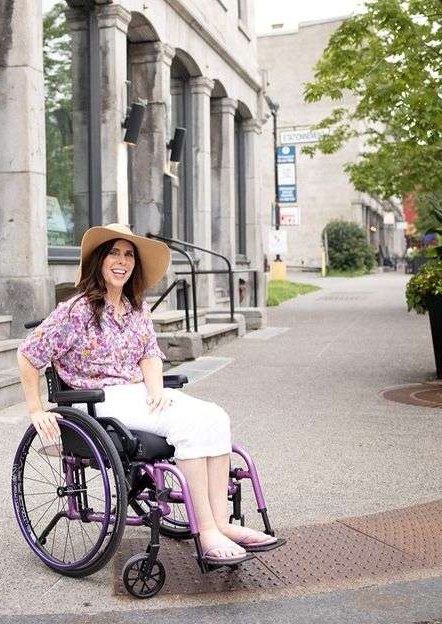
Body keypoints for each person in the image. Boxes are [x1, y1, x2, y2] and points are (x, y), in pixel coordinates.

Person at [17, 223, 277, 564]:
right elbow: (28, 352)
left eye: (128, 255)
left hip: (135, 394)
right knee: (186, 423)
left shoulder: (135, 308)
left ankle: (222, 523)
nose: (122, 260)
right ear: (99, 260)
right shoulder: (77, 309)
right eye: (114, 253)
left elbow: (149, 354)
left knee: (215, 415)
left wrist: (155, 389)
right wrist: (36, 410)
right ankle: (207, 530)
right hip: (97, 399)